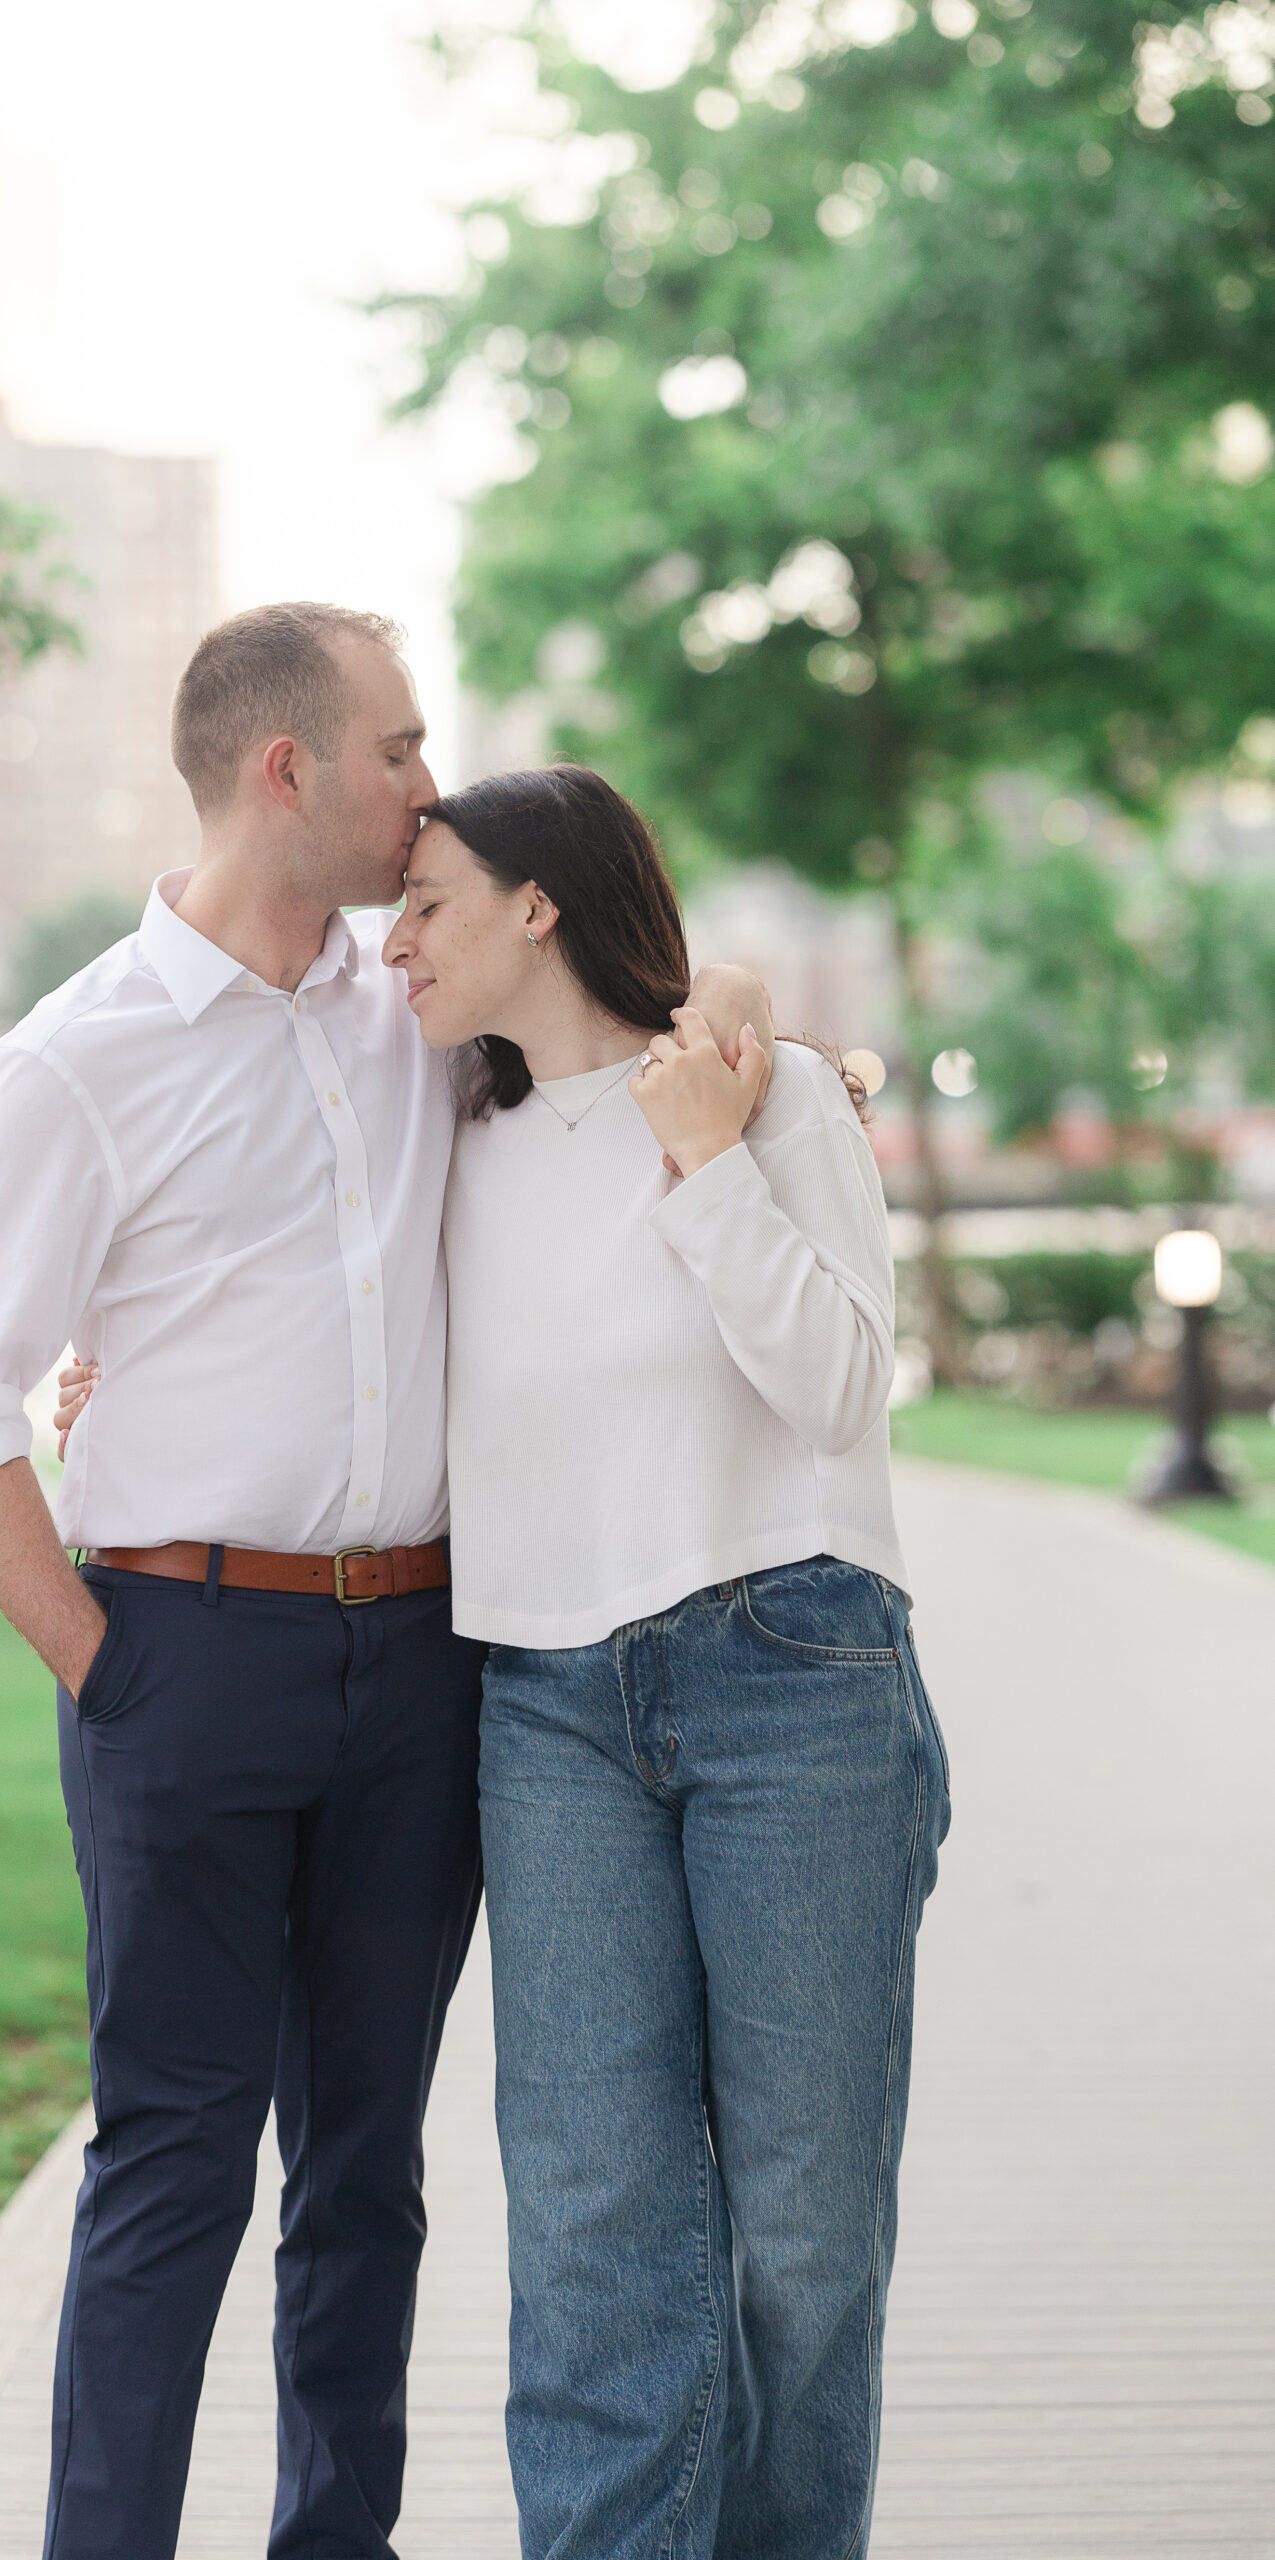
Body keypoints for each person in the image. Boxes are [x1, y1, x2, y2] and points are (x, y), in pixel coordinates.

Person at [0, 609, 759, 2560]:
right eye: (398, 746)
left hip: (427, 1659)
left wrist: (765, 1050)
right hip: (185, 1654)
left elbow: (638, 1011)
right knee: (170, 2162)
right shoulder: (72, 1059)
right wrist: (109, 1669)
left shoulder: (415, 1005)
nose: (425, 783)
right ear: (283, 769)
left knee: (364, 2171)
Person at [380, 764, 950, 2560]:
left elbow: (842, 1385)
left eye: (428, 901)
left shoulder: (763, 1097)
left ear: (538, 904)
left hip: (794, 1667)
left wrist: (703, 1154)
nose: (395, 941)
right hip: (543, 1710)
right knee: (587, 2225)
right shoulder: (447, 1140)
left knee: (800, 2234)